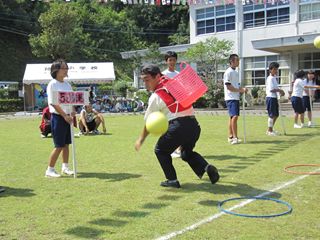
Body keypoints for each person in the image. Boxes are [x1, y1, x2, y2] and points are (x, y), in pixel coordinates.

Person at [135, 64, 219, 188]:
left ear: (158, 76)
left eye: (147, 80)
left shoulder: (155, 96)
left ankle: (172, 180)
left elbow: (149, 122)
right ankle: (206, 167)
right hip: (194, 125)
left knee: (160, 150)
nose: (145, 84)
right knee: (186, 153)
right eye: (143, 81)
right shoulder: (176, 86)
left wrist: (140, 139)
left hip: (178, 126)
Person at [45, 59, 75, 178]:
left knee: (67, 144)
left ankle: (65, 167)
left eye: (67, 67)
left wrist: (72, 111)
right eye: (64, 68)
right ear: (56, 70)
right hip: (58, 117)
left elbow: (72, 99)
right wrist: (64, 115)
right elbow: (53, 103)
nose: (66, 70)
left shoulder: (67, 84)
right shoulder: (52, 84)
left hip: (68, 117)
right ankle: (50, 169)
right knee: (59, 145)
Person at [223, 54, 247, 144]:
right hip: (230, 97)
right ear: (232, 61)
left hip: (235, 97)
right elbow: (228, 86)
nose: (238, 62)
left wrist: (242, 89)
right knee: (235, 116)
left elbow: (236, 85)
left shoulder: (236, 72)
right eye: (237, 60)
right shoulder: (228, 72)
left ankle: (231, 136)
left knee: (232, 117)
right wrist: (240, 90)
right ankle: (235, 137)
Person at [162, 51, 181, 158]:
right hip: (167, 105)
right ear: (166, 61)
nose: (172, 62)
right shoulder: (163, 75)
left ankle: (178, 149)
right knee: (169, 127)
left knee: (178, 127)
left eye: (174, 60)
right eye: (170, 60)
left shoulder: (178, 74)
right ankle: (170, 149)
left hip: (178, 104)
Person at [265, 62, 285, 136]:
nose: (276, 71)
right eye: (274, 69)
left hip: (274, 97)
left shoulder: (274, 78)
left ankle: (270, 129)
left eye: (277, 69)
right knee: (272, 114)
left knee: (276, 114)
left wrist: (280, 91)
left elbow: (275, 89)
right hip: (270, 97)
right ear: (270, 70)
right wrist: (280, 90)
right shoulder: (270, 78)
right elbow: (271, 89)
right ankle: (269, 131)